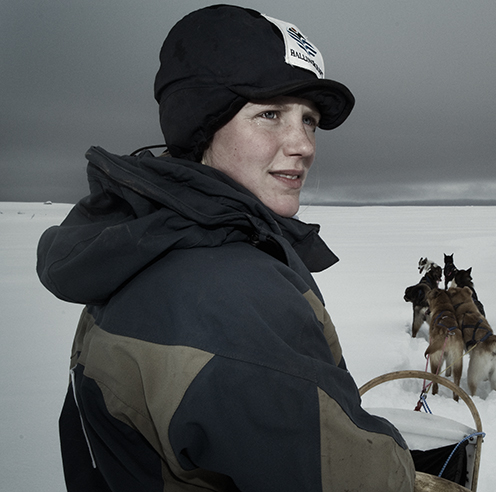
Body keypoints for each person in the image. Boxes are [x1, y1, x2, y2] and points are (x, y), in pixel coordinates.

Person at [36, 5, 415, 491]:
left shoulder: (145, 239)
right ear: (200, 125)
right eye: (270, 114)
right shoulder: (232, 301)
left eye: (310, 120)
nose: (303, 145)